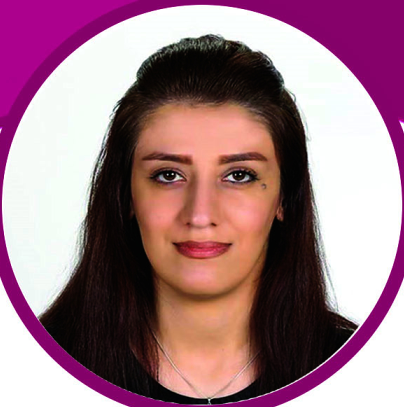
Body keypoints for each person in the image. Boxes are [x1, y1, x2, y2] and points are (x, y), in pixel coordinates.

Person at [40, 35, 357, 404]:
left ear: (284, 197)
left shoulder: (369, 371)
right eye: (168, 175)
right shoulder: (30, 363)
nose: (200, 215)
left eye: (239, 175)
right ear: (126, 195)